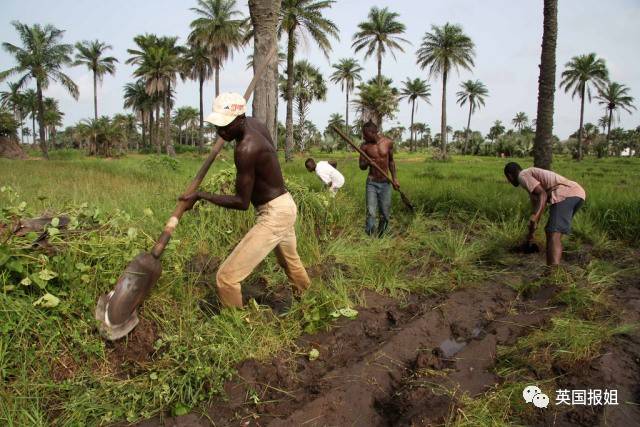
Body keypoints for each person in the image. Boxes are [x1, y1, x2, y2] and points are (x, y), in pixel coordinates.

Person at [179, 92, 311, 308]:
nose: (220, 132)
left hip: (274, 213)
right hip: (285, 204)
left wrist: (201, 195)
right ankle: (310, 301)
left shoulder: (246, 149)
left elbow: (241, 202)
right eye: (217, 126)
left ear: (240, 119)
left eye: (225, 126)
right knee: (290, 263)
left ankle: (236, 326)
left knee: (226, 279)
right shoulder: (255, 124)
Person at [504, 162, 586, 267]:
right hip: (576, 194)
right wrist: (531, 235)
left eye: (508, 178)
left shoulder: (522, 175)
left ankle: (552, 274)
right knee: (552, 232)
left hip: (566, 193)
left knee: (553, 232)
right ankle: (552, 270)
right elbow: (537, 209)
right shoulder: (531, 186)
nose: (509, 181)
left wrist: (535, 215)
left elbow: (542, 194)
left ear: (510, 175)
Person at [358, 121, 400, 237]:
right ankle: (370, 235)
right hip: (371, 183)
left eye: (365, 134)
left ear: (373, 132)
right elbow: (361, 166)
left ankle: (382, 235)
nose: (364, 137)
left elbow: (391, 162)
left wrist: (395, 179)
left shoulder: (388, 143)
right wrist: (367, 161)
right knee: (371, 212)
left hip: (386, 183)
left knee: (385, 213)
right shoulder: (364, 146)